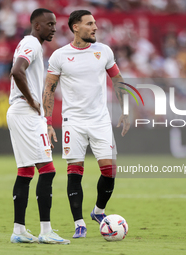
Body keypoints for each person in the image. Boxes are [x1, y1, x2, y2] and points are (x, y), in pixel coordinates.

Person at [43, 10, 130, 238]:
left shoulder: (104, 51)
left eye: (95, 23)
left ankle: (98, 211)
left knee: (110, 171)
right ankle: (78, 223)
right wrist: (48, 122)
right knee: (75, 173)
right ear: (75, 27)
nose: (95, 27)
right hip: (73, 122)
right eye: (90, 24)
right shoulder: (60, 56)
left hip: (100, 120)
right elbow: (49, 89)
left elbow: (118, 80)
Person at [7, 8, 70, 245]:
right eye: (49, 24)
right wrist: (33, 101)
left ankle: (19, 230)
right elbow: (16, 71)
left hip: (21, 113)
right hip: (25, 112)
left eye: (55, 24)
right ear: (36, 25)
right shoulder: (32, 43)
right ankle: (46, 231)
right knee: (48, 170)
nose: (54, 27)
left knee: (25, 172)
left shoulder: (33, 44)